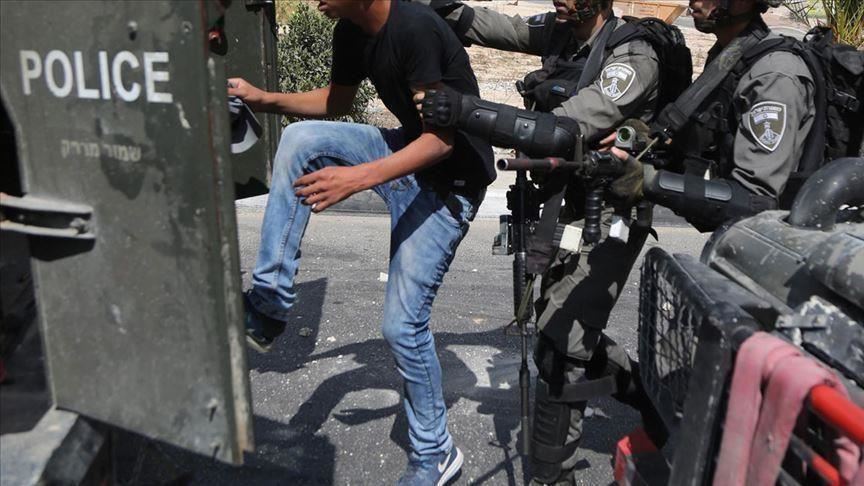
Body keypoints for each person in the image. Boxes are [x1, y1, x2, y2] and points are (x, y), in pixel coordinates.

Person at [416, 1, 690, 484]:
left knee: (561, 348)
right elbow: (494, 26)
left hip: (611, 213)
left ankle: (551, 474)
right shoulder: (562, 32)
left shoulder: (633, 56)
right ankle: (655, 400)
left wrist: (465, 111)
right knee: (557, 328)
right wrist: (435, 7)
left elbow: (562, 129)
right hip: (563, 206)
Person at [228, 1, 494, 484]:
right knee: (301, 140)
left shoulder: (416, 29)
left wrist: (355, 179)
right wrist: (261, 99)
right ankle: (268, 303)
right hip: (405, 152)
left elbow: (442, 140)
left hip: (450, 186)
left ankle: (436, 453)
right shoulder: (351, 30)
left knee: (402, 327)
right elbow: (337, 102)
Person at [607, 0, 815, 232]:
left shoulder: (773, 77)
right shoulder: (731, 55)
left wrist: (649, 181)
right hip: (731, 236)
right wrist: (648, 142)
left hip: (770, 242)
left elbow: (755, 201)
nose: (694, 2)